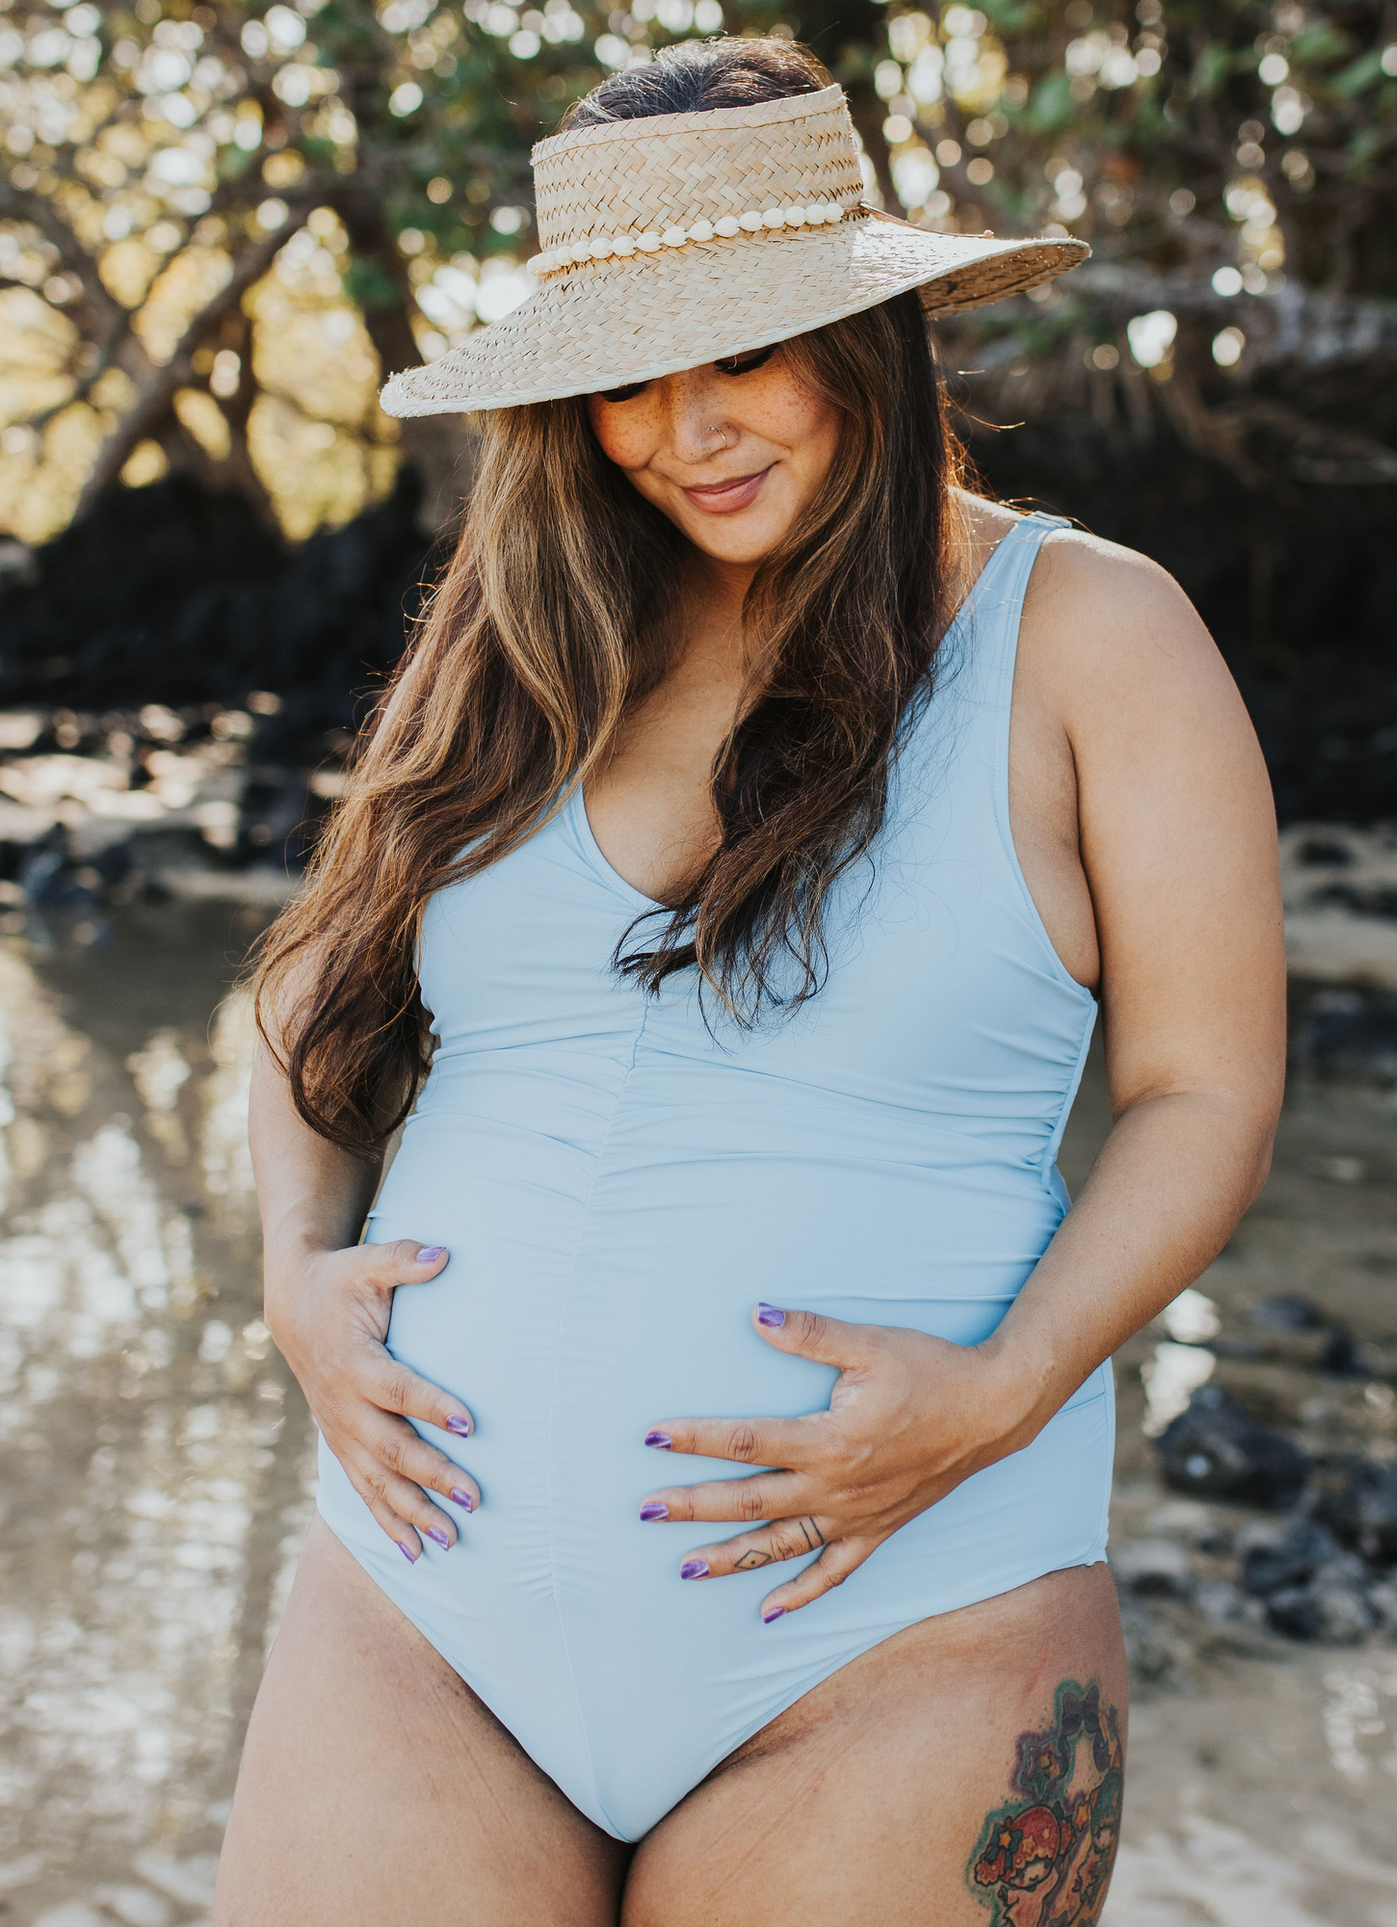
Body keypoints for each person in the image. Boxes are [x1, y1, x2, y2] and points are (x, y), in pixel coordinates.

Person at [216, 36, 1284, 1927]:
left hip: (902, 1637)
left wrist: (1011, 1388)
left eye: (739, 354)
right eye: (624, 379)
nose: (681, 427)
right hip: (416, 1620)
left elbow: (1204, 1091)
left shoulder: (1090, 632)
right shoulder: (532, 634)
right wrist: (297, 1281)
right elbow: (311, 985)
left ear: (869, 334)